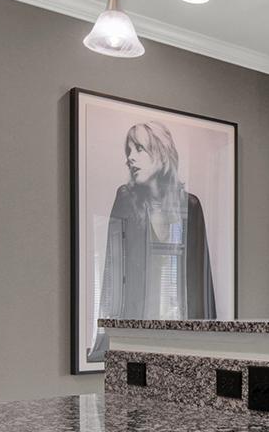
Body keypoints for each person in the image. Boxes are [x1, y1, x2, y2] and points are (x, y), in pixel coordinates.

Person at [90, 120, 216, 359]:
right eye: (128, 151)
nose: (130, 158)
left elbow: (202, 281)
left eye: (139, 149)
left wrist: (210, 344)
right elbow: (111, 271)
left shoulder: (191, 206)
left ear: (162, 152)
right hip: (135, 341)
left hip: (181, 340)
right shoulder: (126, 199)